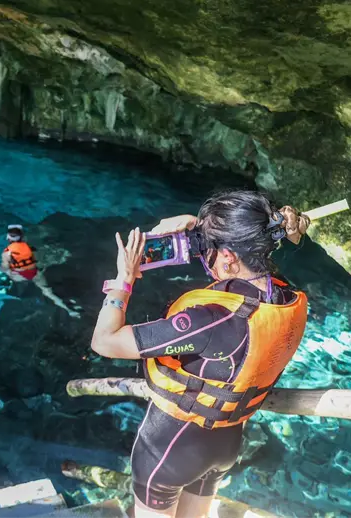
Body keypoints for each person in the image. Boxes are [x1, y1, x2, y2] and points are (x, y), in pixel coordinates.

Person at [89, 191, 310, 518]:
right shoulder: (283, 294)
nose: (204, 256)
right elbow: (237, 272)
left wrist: (124, 278)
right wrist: (201, 230)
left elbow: (104, 341)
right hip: (226, 446)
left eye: (208, 250)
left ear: (229, 257)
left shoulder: (209, 319)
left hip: (168, 452)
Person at [0, 225, 80, 318]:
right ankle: (69, 310)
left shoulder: (6, 253)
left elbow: (5, 267)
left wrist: (5, 270)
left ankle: (69, 310)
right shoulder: (27, 246)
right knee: (47, 292)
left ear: (8, 238)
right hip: (35, 273)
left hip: (21, 276)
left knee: (2, 269)